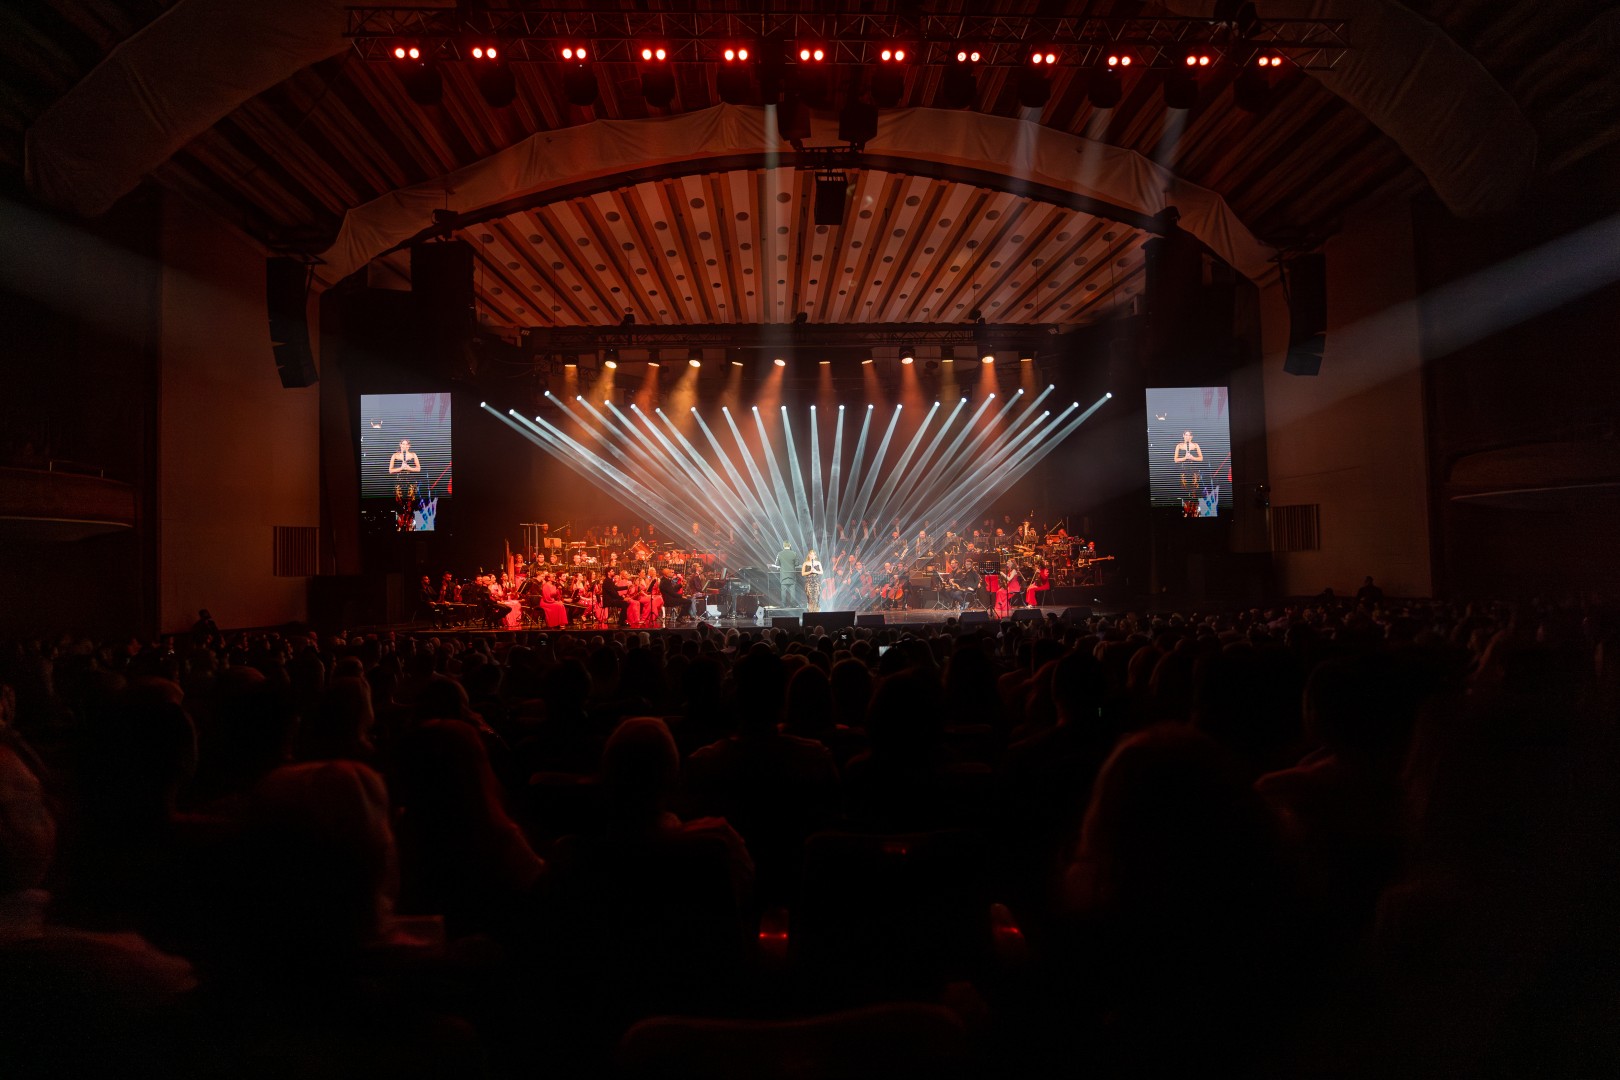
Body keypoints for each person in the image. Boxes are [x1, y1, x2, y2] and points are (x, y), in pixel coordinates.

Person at [776, 541, 798, 606]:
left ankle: (783, 604)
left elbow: (777, 564)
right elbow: (797, 564)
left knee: (783, 591)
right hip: (792, 575)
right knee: (792, 591)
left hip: (783, 575)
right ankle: (793, 604)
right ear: (790, 545)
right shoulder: (794, 553)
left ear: (783, 545)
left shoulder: (779, 554)